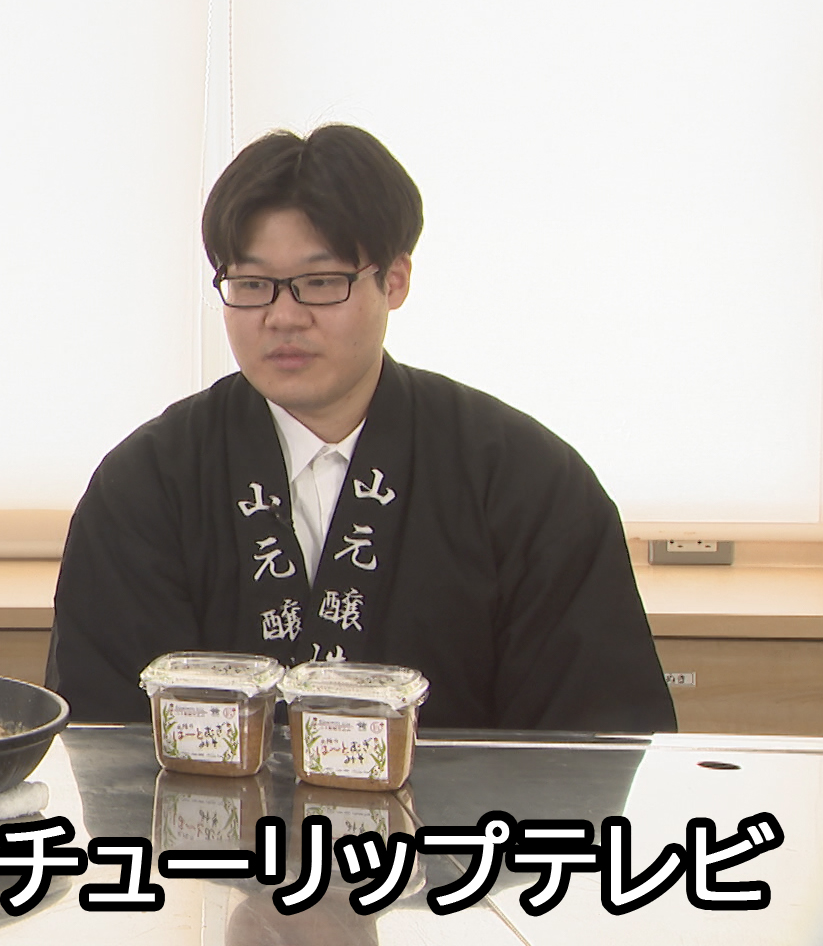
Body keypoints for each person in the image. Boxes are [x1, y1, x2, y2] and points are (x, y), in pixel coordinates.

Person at [46, 125, 676, 733]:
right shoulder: (147, 486)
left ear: (394, 280)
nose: (283, 316)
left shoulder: (524, 482)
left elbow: (595, 745)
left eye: (321, 283)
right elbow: (104, 746)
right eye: (252, 284)